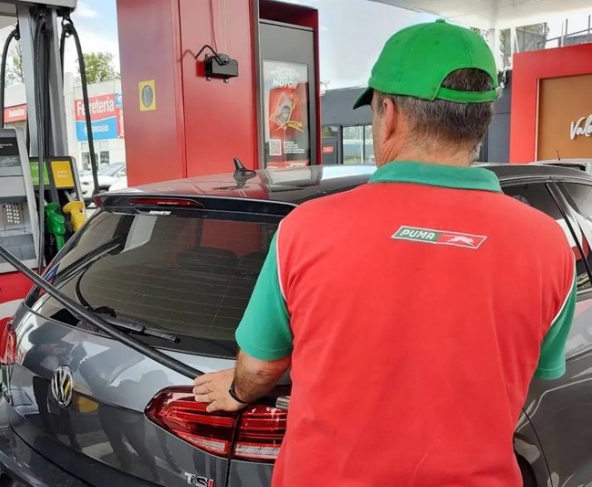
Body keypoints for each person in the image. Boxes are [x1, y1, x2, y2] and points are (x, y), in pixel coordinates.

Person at [193, 19, 576, 487]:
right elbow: (531, 368)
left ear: (389, 113)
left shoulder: (306, 229)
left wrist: (237, 391)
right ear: (482, 119)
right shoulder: (549, 244)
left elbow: (259, 366)